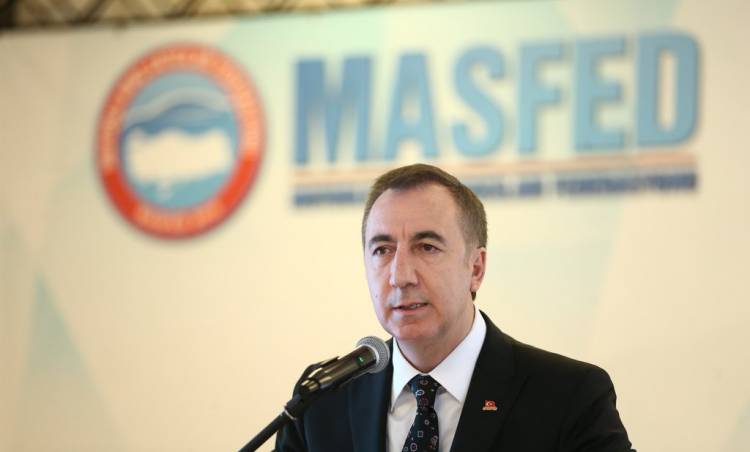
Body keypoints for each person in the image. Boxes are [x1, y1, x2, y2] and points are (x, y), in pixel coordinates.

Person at [275, 164, 634, 452]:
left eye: (427, 247)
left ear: (475, 268)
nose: (400, 276)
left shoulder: (568, 397)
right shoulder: (322, 400)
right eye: (382, 250)